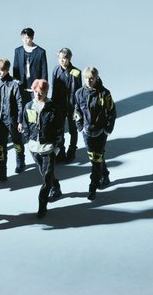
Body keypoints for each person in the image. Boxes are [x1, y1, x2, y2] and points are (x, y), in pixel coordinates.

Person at [74, 67, 116, 201]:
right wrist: (80, 126)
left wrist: (107, 129)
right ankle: (105, 175)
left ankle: (93, 186)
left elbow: (112, 111)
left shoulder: (104, 93)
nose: (89, 81)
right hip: (87, 132)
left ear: (97, 78)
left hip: (100, 131)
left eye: (91, 78)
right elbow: (77, 110)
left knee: (96, 159)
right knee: (95, 158)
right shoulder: (79, 93)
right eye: (86, 78)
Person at [22, 79, 62, 219]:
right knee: (46, 173)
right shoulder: (29, 106)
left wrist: (56, 147)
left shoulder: (53, 108)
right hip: (34, 147)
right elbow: (25, 124)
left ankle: (42, 206)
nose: (37, 95)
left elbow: (59, 129)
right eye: (35, 92)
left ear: (46, 92)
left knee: (46, 179)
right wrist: (28, 139)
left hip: (48, 148)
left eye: (41, 92)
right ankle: (56, 186)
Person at [0, 58, 25, 180]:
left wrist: (20, 121)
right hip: (0, 120)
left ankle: (20, 162)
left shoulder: (15, 84)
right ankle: (1, 172)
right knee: (0, 146)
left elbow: (20, 103)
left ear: (7, 70)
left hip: (13, 120)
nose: (0, 72)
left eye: (3, 70)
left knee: (17, 142)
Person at [51, 48, 82, 162]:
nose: (61, 60)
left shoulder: (76, 72)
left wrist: (78, 108)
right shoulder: (56, 70)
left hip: (72, 106)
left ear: (69, 59)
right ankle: (61, 151)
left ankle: (72, 151)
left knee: (73, 129)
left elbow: (79, 92)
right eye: (59, 58)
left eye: (64, 58)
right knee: (59, 130)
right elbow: (54, 88)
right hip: (59, 105)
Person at [13, 28, 48, 103]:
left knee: (35, 106)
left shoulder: (40, 52)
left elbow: (44, 71)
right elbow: (15, 69)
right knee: (22, 107)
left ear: (32, 37)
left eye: (27, 38)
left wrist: (43, 87)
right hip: (21, 86)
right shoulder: (18, 51)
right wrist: (16, 83)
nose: (25, 40)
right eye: (23, 38)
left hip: (36, 87)